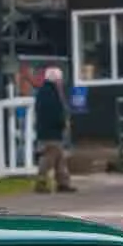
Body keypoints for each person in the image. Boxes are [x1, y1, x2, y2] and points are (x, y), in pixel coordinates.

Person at [34, 66, 76, 194]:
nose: (61, 82)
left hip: (45, 130)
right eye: (60, 79)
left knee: (59, 158)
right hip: (51, 132)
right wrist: (62, 124)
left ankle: (63, 183)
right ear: (56, 79)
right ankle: (42, 182)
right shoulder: (52, 94)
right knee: (49, 158)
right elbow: (56, 112)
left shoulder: (43, 92)